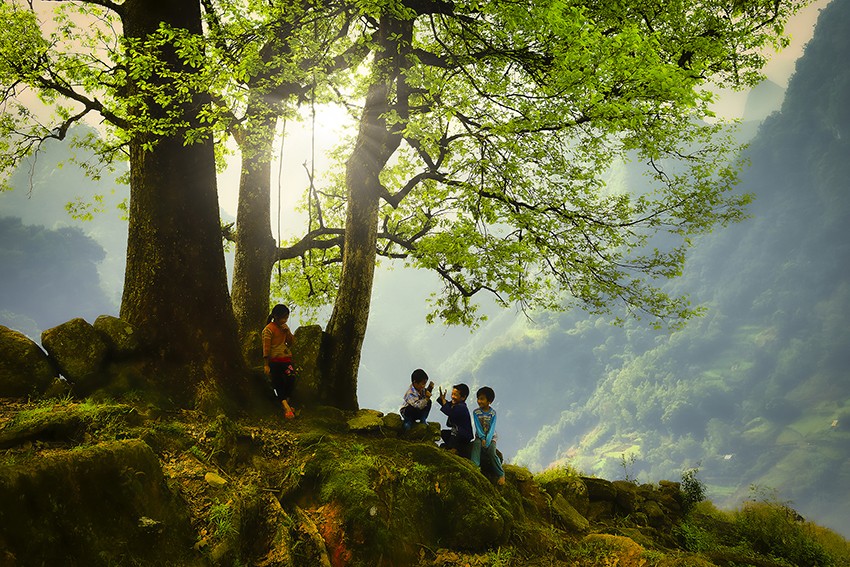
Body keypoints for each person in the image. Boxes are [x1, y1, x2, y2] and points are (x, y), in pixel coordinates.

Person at [262, 304, 296, 419]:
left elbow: (291, 343)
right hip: (274, 361)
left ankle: (286, 402)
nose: (285, 320)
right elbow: (266, 348)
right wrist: (266, 365)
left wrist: (288, 333)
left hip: (286, 360)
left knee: (291, 378)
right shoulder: (268, 329)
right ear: (276, 316)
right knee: (278, 382)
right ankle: (286, 407)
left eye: (287, 317)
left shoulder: (284, 328)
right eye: (283, 317)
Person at [471, 386, 505, 485]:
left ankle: (501, 474)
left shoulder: (493, 413)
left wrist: (488, 440)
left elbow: (492, 428)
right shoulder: (476, 412)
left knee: (491, 452)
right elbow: (478, 426)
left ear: (489, 401)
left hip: (491, 437)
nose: (479, 401)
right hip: (480, 436)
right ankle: (475, 467)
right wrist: (482, 438)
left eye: (482, 399)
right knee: (476, 446)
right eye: (478, 398)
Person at [436, 383, 473, 457]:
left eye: (455, 395)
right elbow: (446, 404)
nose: (453, 397)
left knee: (454, 430)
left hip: (464, 435)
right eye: (452, 394)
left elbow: (448, 411)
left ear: (463, 397)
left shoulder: (462, 407)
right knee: (444, 433)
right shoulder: (455, 404)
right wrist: (441, 398)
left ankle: (454, 449)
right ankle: (451, 447)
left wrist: (443, 400)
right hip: (459, 434)